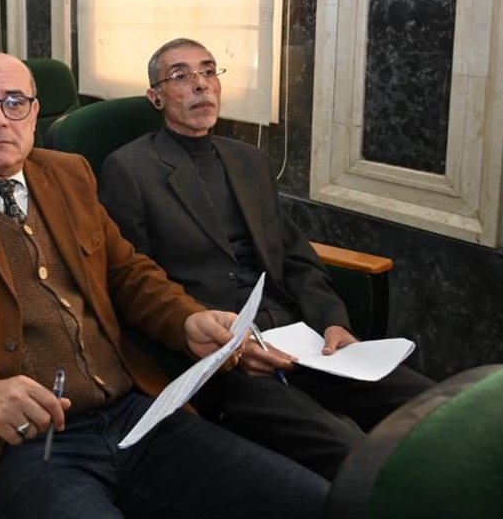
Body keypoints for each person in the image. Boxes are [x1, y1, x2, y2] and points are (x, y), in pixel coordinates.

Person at [0, 53, 328, 519]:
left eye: (14, 102)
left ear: (34, 113)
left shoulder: (68, 173)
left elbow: (126, 273)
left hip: (136, 415)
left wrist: (187, 319)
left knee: (317, 502)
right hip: (30, 445)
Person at [99, 38, 434, 479]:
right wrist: (229, 349)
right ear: (156, 97)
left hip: (303, 341)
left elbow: (295, 257)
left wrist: (333, 322)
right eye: (181, 76)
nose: (201, 85)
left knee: (436, 406)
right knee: (349, 448)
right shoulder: (129, 170)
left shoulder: (250, 161)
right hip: (222, 359)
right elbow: (134, 286)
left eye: (208, 71)